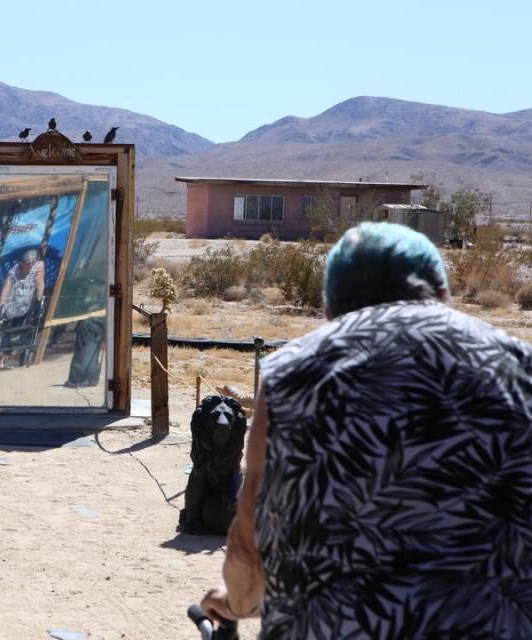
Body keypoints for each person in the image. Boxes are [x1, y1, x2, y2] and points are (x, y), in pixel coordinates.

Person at [200, 222, 532, 638]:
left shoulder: (295, 372)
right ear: (443, 296)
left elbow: (251, 550)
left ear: (330, 312)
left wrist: (232, 603)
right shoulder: (520, 367)